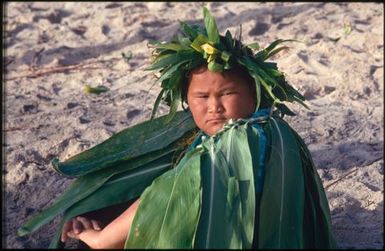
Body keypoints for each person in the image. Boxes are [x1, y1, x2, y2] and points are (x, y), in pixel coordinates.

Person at [20, 7, 336, 249]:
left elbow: (171, 192)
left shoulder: (246, 139)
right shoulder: (270, 131)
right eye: (202, 96)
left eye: (227, 93)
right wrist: (102, 218)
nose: (215, 107)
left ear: (256, 95)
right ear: (186, 99)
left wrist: (103, 240)